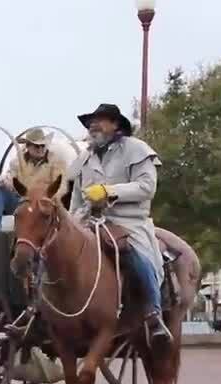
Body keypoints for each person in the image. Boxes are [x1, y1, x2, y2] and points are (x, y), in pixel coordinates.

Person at [67, 102, 171, 343]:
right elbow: (75, 200)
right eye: (91, 121)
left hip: (128, 222)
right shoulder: (84, 158)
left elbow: (147, 187)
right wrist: (71, 226)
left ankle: (153, 313)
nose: (93, 124)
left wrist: (109, 191)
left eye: (100, 119)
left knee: (134, 254)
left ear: (116, 125)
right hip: (88, 222)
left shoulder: (136, 149)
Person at [0, 128, 71, 230]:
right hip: (22, 201)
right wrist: (6, 181)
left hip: (45, 201)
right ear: (28, 146)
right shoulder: (17, 162)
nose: (40, 149)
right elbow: (12, 178)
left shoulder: (56, 161)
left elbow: (62, 186)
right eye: (37, 146)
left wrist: (47, 197)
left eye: (43, 146)